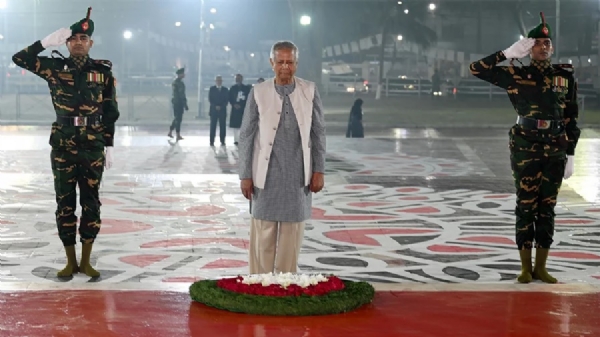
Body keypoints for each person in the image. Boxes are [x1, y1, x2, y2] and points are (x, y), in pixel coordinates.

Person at [470, 12, 580, 284]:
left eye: (548, 43)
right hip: (525, 145)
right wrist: (507, 53)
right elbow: (476, 68)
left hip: (555, 146)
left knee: (548, 207)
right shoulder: (516, 75)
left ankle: (541, 266)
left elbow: (571, 118)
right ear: (529, 48)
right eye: (538, 43)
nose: (544, 47)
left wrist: (571, 153)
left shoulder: (564, 77)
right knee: (526, 205)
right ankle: (525, 267)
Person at [12, 7, 120, 278]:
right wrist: (44, 43)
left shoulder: (102, 72)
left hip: (93, 145)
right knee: (65, 202)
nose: (79, 43)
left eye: (84, 39)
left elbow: (110, 110)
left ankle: (86, 260)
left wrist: (108, 143)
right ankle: (70, 260)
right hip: (63, 145)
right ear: (67, 42)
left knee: (92, 202)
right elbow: (20, 58)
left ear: (91, 43)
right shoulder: (54, 67)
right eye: (73, 39)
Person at [238, 41, 326, 274]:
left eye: (289, 62)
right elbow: (246, 135)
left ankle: (286, 284)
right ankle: (259, 283)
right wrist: (245, 175)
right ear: (271, 63)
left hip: (298, 174)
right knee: (263, 231)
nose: (285, 67)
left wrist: (319, 170)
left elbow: (318, 133)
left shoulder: (309, 90)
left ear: (296, 63)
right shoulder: (259, 92)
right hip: (265, 174)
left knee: (291, 235)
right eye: (280, 62)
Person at [228, 74, 250, 145]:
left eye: (239, 78)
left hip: (243, 109)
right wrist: (234, 104)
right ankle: (236, 139)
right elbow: (230, 98)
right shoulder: (232, 88)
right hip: (235, 109)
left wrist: (242, 105)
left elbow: (248, 98)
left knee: (243, 125)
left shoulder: (246, 88)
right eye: (237, 79)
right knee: (235, 125)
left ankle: (242, 139)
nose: (238, 80)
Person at [168, 67, 188, 141]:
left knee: (177, 118)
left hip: (176, 102)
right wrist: (185, 104)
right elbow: (181, 94)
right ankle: (177, 134)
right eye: (183, 74)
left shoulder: (175, 82)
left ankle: (170, 131)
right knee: (178, 119)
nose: (184, 75)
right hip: (178, 103)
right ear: (180, 74)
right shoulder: (179, 83)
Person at [208, 75, 229, 146]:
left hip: (222, 111)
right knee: (213, 126)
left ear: (222, 81)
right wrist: (215, 106)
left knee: (222, 126)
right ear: (215, 81)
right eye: (217, 80)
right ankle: (211, 141)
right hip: (213, 111)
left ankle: (222, 141)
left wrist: (221, 106)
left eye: (220, 80)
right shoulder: (212, 89)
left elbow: (226, 100)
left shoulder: (225, 90)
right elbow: (210, 99)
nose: (219, 82)